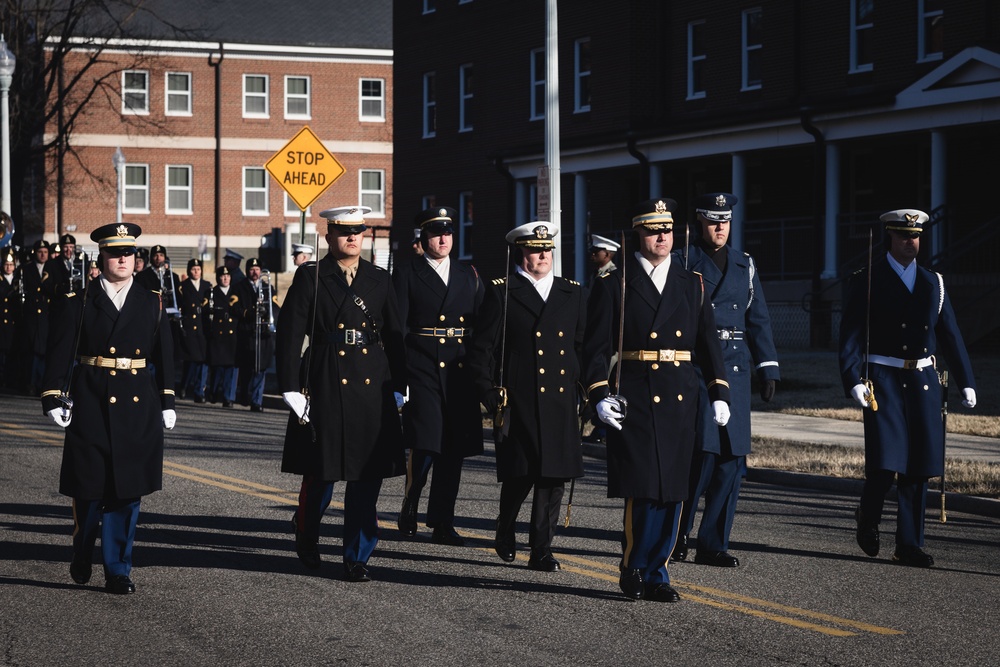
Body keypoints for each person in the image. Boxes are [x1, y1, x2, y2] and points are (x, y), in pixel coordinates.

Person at [583, 198, 730, 602]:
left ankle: (659, 571)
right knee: (644, 485)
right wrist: (597, 395)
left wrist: (719, 390)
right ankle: (634, 565)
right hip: (636, 392)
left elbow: (707, 343)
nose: (661, 236)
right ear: (638, 235)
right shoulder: (616, 282)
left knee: (675, 489)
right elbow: (594, 348)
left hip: (681, 393)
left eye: (666, 229)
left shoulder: (691, 282)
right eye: (652, 230)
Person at [40, 222, 175, 595]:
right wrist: (52, 394)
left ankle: (118, 567)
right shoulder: (79, 301)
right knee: (89, 488)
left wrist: (167, 400)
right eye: (115, 253)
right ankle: (83, 546)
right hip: (91, 399)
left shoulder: (152, 300)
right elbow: (61, 351)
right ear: (101, 257)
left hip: (137, 404)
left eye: (129, 253)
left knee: (126, 491)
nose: (123, 259)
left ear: (137, 258)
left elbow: (164, 355)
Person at [839, 208, 977, 568]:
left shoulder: (935, 283)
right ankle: (868, 518)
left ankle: (909, 544)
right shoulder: (867, 279)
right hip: (882, 382)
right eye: (903, 236)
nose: (910, 242)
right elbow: (851, 335)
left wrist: (967, 382)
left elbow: (951, 336)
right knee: (885, 466)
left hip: (923, 383)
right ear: (890, 237)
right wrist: (852, 378)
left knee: (917, 468)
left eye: (915, 236)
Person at [276, 205, 406, 582]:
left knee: (367, 476)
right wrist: (289, 387)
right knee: (322, 471)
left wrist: (401, 385)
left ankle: (357, 555)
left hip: (370, 383)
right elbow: (289, 334)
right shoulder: (312, 276)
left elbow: (395, 335)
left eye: (358, 231)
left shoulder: (379, 279)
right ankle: (307, 527)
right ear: (329, 236)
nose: (352, 238)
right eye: (344, 231)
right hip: (326, 379)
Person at [467, 220, 586, 572]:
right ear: (522, 253)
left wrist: (584, 389)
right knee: (522, 473)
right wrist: (487, 389)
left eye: (548, 249)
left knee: (554, 475)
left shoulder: (572, 291)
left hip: (560, 398)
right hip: (519, 397)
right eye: (536, 250)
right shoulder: (502, 290)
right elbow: (482, 348)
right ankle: (505, 527)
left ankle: (541, 548)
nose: (543, 255)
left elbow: (580, 345)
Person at [671, 193, 780, 568]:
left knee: (732, 463)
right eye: (714, 221)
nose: (720, 228)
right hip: (698, 368)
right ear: (700, 222)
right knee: (700, 457)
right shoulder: (683, 260)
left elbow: (758, 318)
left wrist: (767, 367)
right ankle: (677, 534)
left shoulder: (743, 263)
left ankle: (713, 543)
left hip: (734, 369)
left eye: (726, 221)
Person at [393, 207, 485, 546]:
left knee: (454, 449)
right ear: (423, 238)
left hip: (459, 370)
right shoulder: (406, 273)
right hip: (422, 365)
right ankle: (411, 500)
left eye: (448, 233)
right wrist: (399, 376)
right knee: (427, 441)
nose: (443, 239)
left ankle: (443, 520)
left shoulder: (469, 274)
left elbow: (481, 325)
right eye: (435, 234)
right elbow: (398, 326)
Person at [234, 257, 279, 412]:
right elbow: (235, 308)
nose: (255, 272)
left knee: (261, 368)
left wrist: (266, 313)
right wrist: (250, 313)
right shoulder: (239, 287)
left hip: (263, 332)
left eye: (257, 269)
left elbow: (276, 307)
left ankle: (256, 401)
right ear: (247, 271)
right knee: (247, 368)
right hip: (247, 332)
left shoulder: (268, 287)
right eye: (252, 269)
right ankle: (245, 394)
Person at [12, 239, 51, 394]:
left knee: (44, 351)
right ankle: (31, 383)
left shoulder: (53, 267)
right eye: (40, 252)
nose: (43, 255)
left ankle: (42, 383)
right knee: (32, 351)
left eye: (45, 252)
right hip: (32, 316)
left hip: (47, 315)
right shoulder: (26, 269)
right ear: (35, 253)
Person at [177, 258, 212, 403]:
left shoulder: (206, 286)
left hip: (202, 328)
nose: (196, 272)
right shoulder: (183, 286)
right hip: (190, 327)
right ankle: (184, 385)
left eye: (198, 269)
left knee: (202, 361)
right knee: (191, 361)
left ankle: (199, 391)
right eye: (193, 269)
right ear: (188, 271)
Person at [207, 265, 239, 407]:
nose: (225, 278)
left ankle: (228, 397)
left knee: (230, 369)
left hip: (232, 335)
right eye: (222, 276)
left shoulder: (235, 292)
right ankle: (213, 392)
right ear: (218, 278)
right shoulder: (212, 292)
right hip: (218, 336)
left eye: (227, 276)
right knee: (217, 369)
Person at [0, 246, 18, 387]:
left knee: (12, 354)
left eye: (11, 264)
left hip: (13, 323)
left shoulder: (18, 279)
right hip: (2, 323)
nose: (8, 267)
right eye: (6, 264)